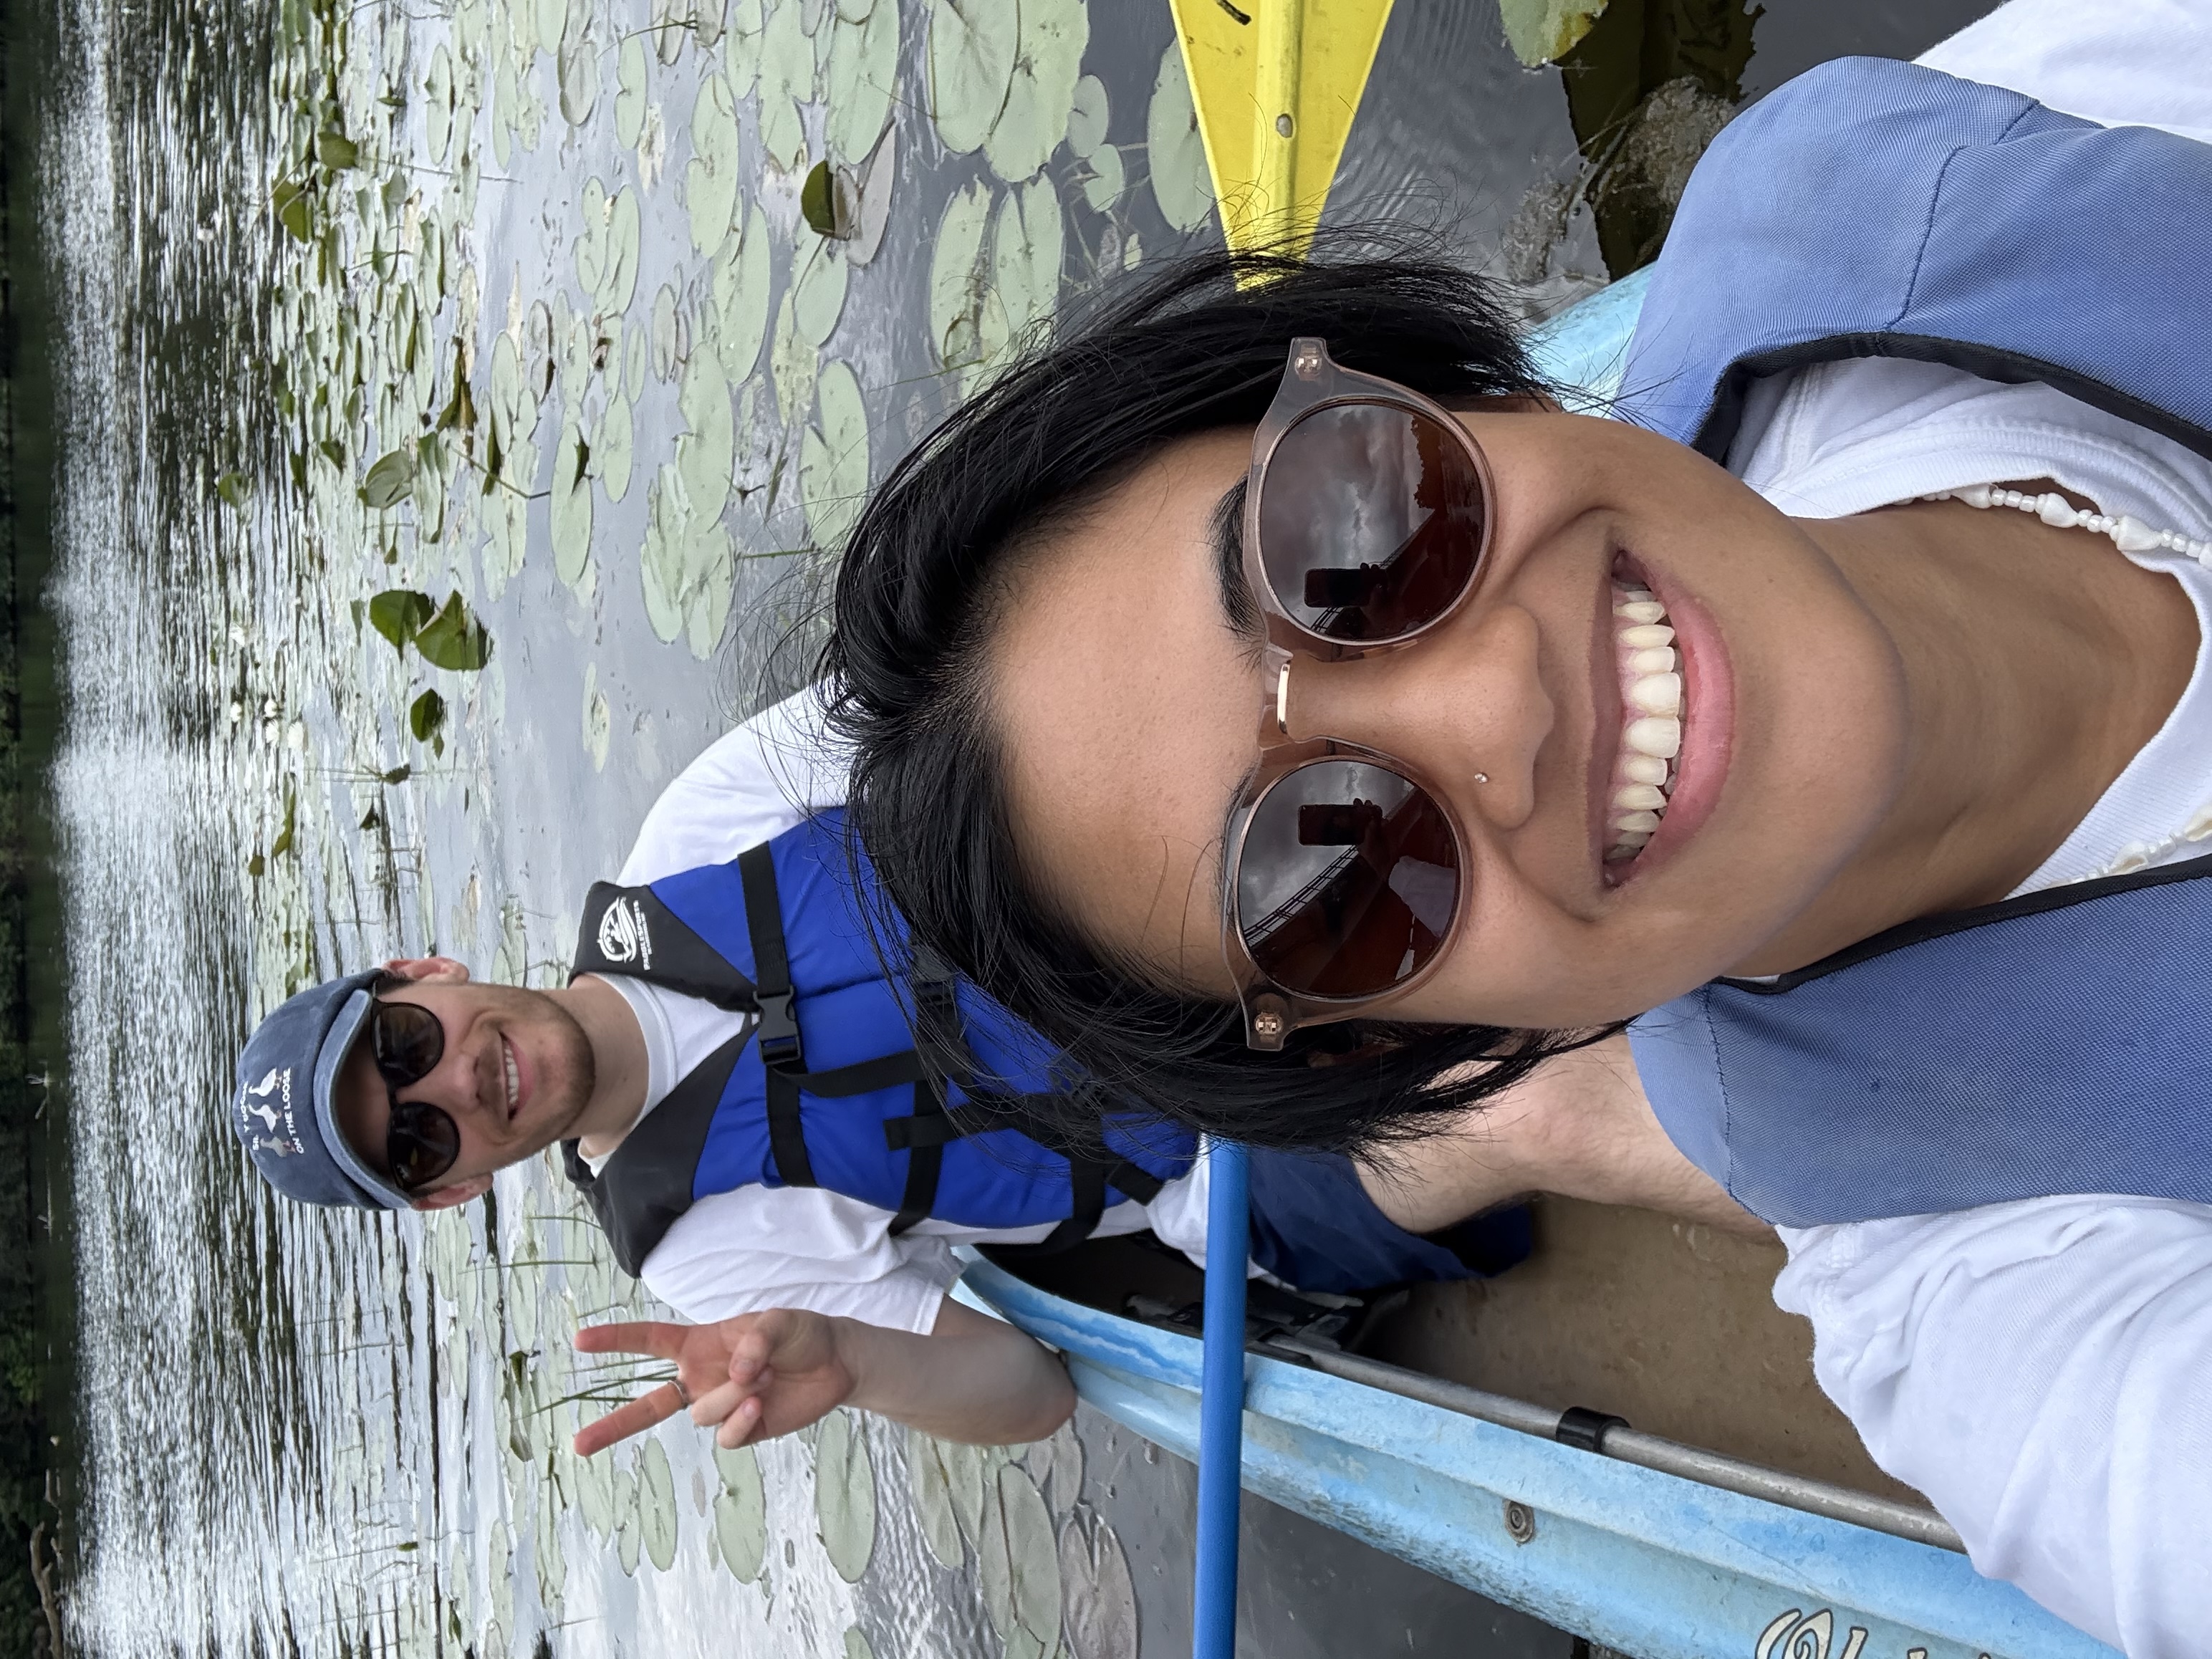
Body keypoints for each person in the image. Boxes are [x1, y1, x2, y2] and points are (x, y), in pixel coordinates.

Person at [818, 4, 2212, 1653]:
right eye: (1331, 877)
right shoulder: (1998, 1326)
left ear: (1456, 393)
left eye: (1350, 533)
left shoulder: (1871, 181)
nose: (1496, 716)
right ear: (1402, 1040)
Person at [228, 695, 1754, 1457]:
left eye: (401, 1052)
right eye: (413, 1142)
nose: (448, 1092)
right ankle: (1910, 1158)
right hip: (1223, 1157)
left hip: (1221, 915)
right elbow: (1028, 1395)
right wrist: (856, 1361)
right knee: (1526, 1099)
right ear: (452, 1195)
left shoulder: (713, 819)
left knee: (1496, 763)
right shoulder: (709, 1257)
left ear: (421, 973)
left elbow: (1016, 708)